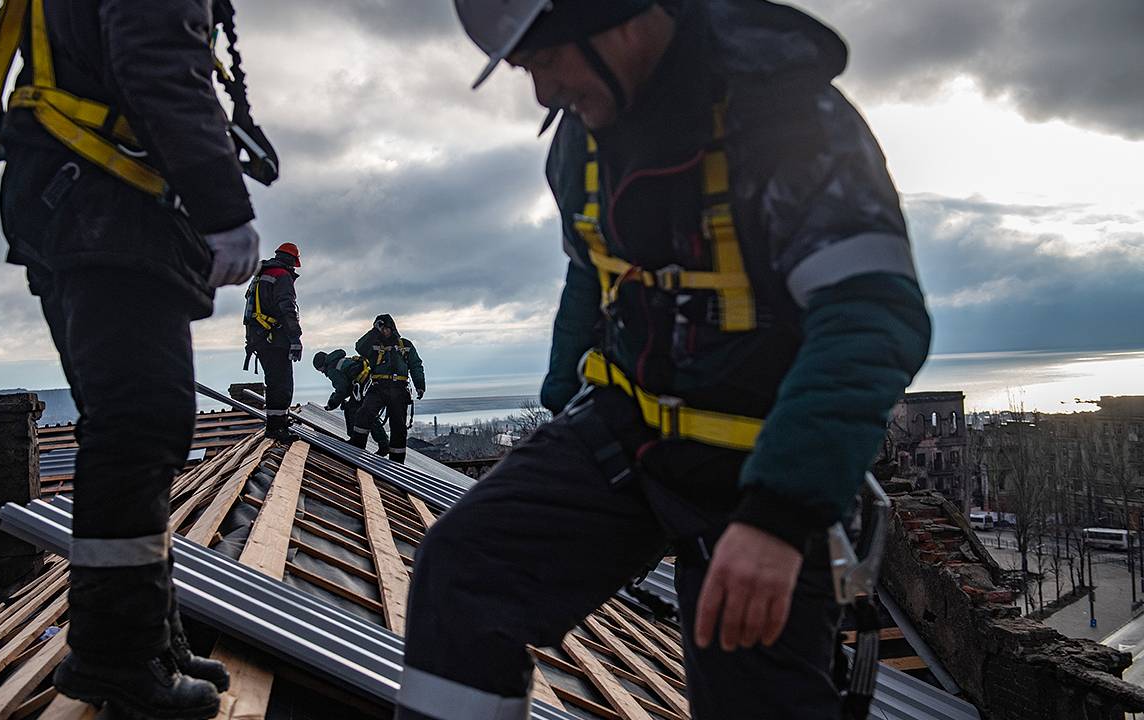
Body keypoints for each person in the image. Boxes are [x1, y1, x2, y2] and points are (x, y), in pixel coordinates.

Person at [396, 2, 932, 718]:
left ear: (612, 16)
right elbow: (593, 274)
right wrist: (562, 407)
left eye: (547, 61)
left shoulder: (790, 125)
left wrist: (779, 516)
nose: (543, 95)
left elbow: (870, 319)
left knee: (755, 687)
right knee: (464, 573)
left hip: (760, 463)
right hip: (628, 433)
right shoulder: (581, 146)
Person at [0, 0, 275, 716]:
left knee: (132, 429)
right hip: (103, 203)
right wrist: (222, 207)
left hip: (69, 196)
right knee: (140, 425)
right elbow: (159, 66)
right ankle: (116, 656)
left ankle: (148, 636)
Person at [244, 243, 304, 441]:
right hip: (274, 339)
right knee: (282, 384)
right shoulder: (282, 276)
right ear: (291, 261)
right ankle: (277, 428)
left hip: (259, 339)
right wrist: (295, 338)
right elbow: (287, 309)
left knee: (274, 382)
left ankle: (277, 424)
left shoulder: (261, 276)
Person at [349, 315, 426, 464]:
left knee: (398, 426)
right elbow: (359, 348)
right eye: (381, 329)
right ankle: (356, 448)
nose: (384, 331)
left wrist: (420, 385)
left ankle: (397, 462)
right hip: (379, 387)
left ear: (392, 328)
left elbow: (416, 365)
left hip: (399, 389)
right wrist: (374, 332)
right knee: (364, 414)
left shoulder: (405, 345)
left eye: (386, 328)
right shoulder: (373, 345)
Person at [313, 349, 391, 456]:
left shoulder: (332, 369)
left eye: (320, 369)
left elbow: (342, 389)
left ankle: (379, 444)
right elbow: (348, 386)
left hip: (365, 387)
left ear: (322, 365)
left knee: (359, 412)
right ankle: (378, 442)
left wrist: (332, 403)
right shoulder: (339, 361)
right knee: (360, 411)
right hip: (370, 384)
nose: (322, 372)